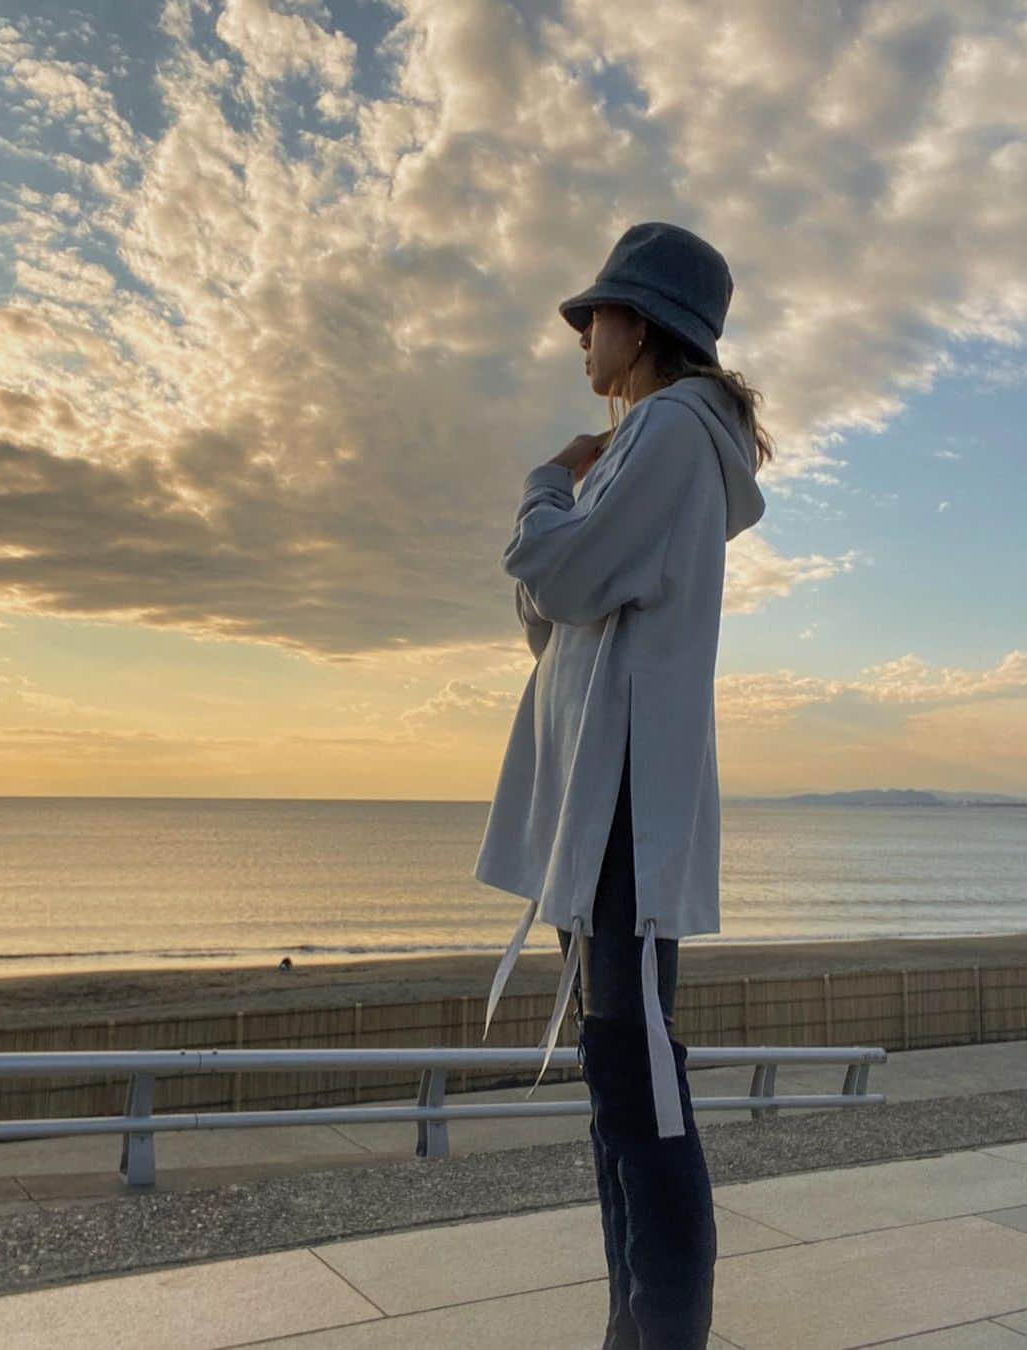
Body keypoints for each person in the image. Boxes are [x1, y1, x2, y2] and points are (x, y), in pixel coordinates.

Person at [472, 222, 774, 1348]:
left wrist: (547, 482)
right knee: (620, 1090)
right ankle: (630, 1331)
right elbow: (554, 610)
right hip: (597, 819)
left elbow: (554, 570)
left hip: (620, 825)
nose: (580, 340)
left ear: (638, 325)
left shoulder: (669, 434)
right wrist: (562, 536)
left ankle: (661, 1336)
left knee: (641, 1097)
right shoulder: (657, 441)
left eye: (593, 317)